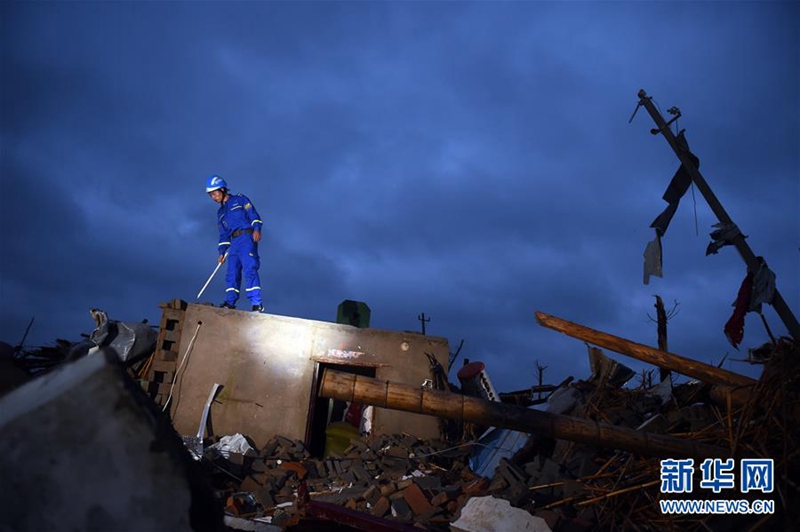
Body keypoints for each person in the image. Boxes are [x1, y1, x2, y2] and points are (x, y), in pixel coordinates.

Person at [205, 175, 264, 312]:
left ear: (223, 189)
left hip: (247, 237)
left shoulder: (240, 199)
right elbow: (223, 234)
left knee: (250, 268)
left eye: (215, 193)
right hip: (234, 243)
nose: (213, 197)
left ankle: (256, 303)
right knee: (232, 272)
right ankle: (230, 302)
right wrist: (221, 252)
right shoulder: (220, 213)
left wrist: (257, 229)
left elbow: (253, 215)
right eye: (210, 195)